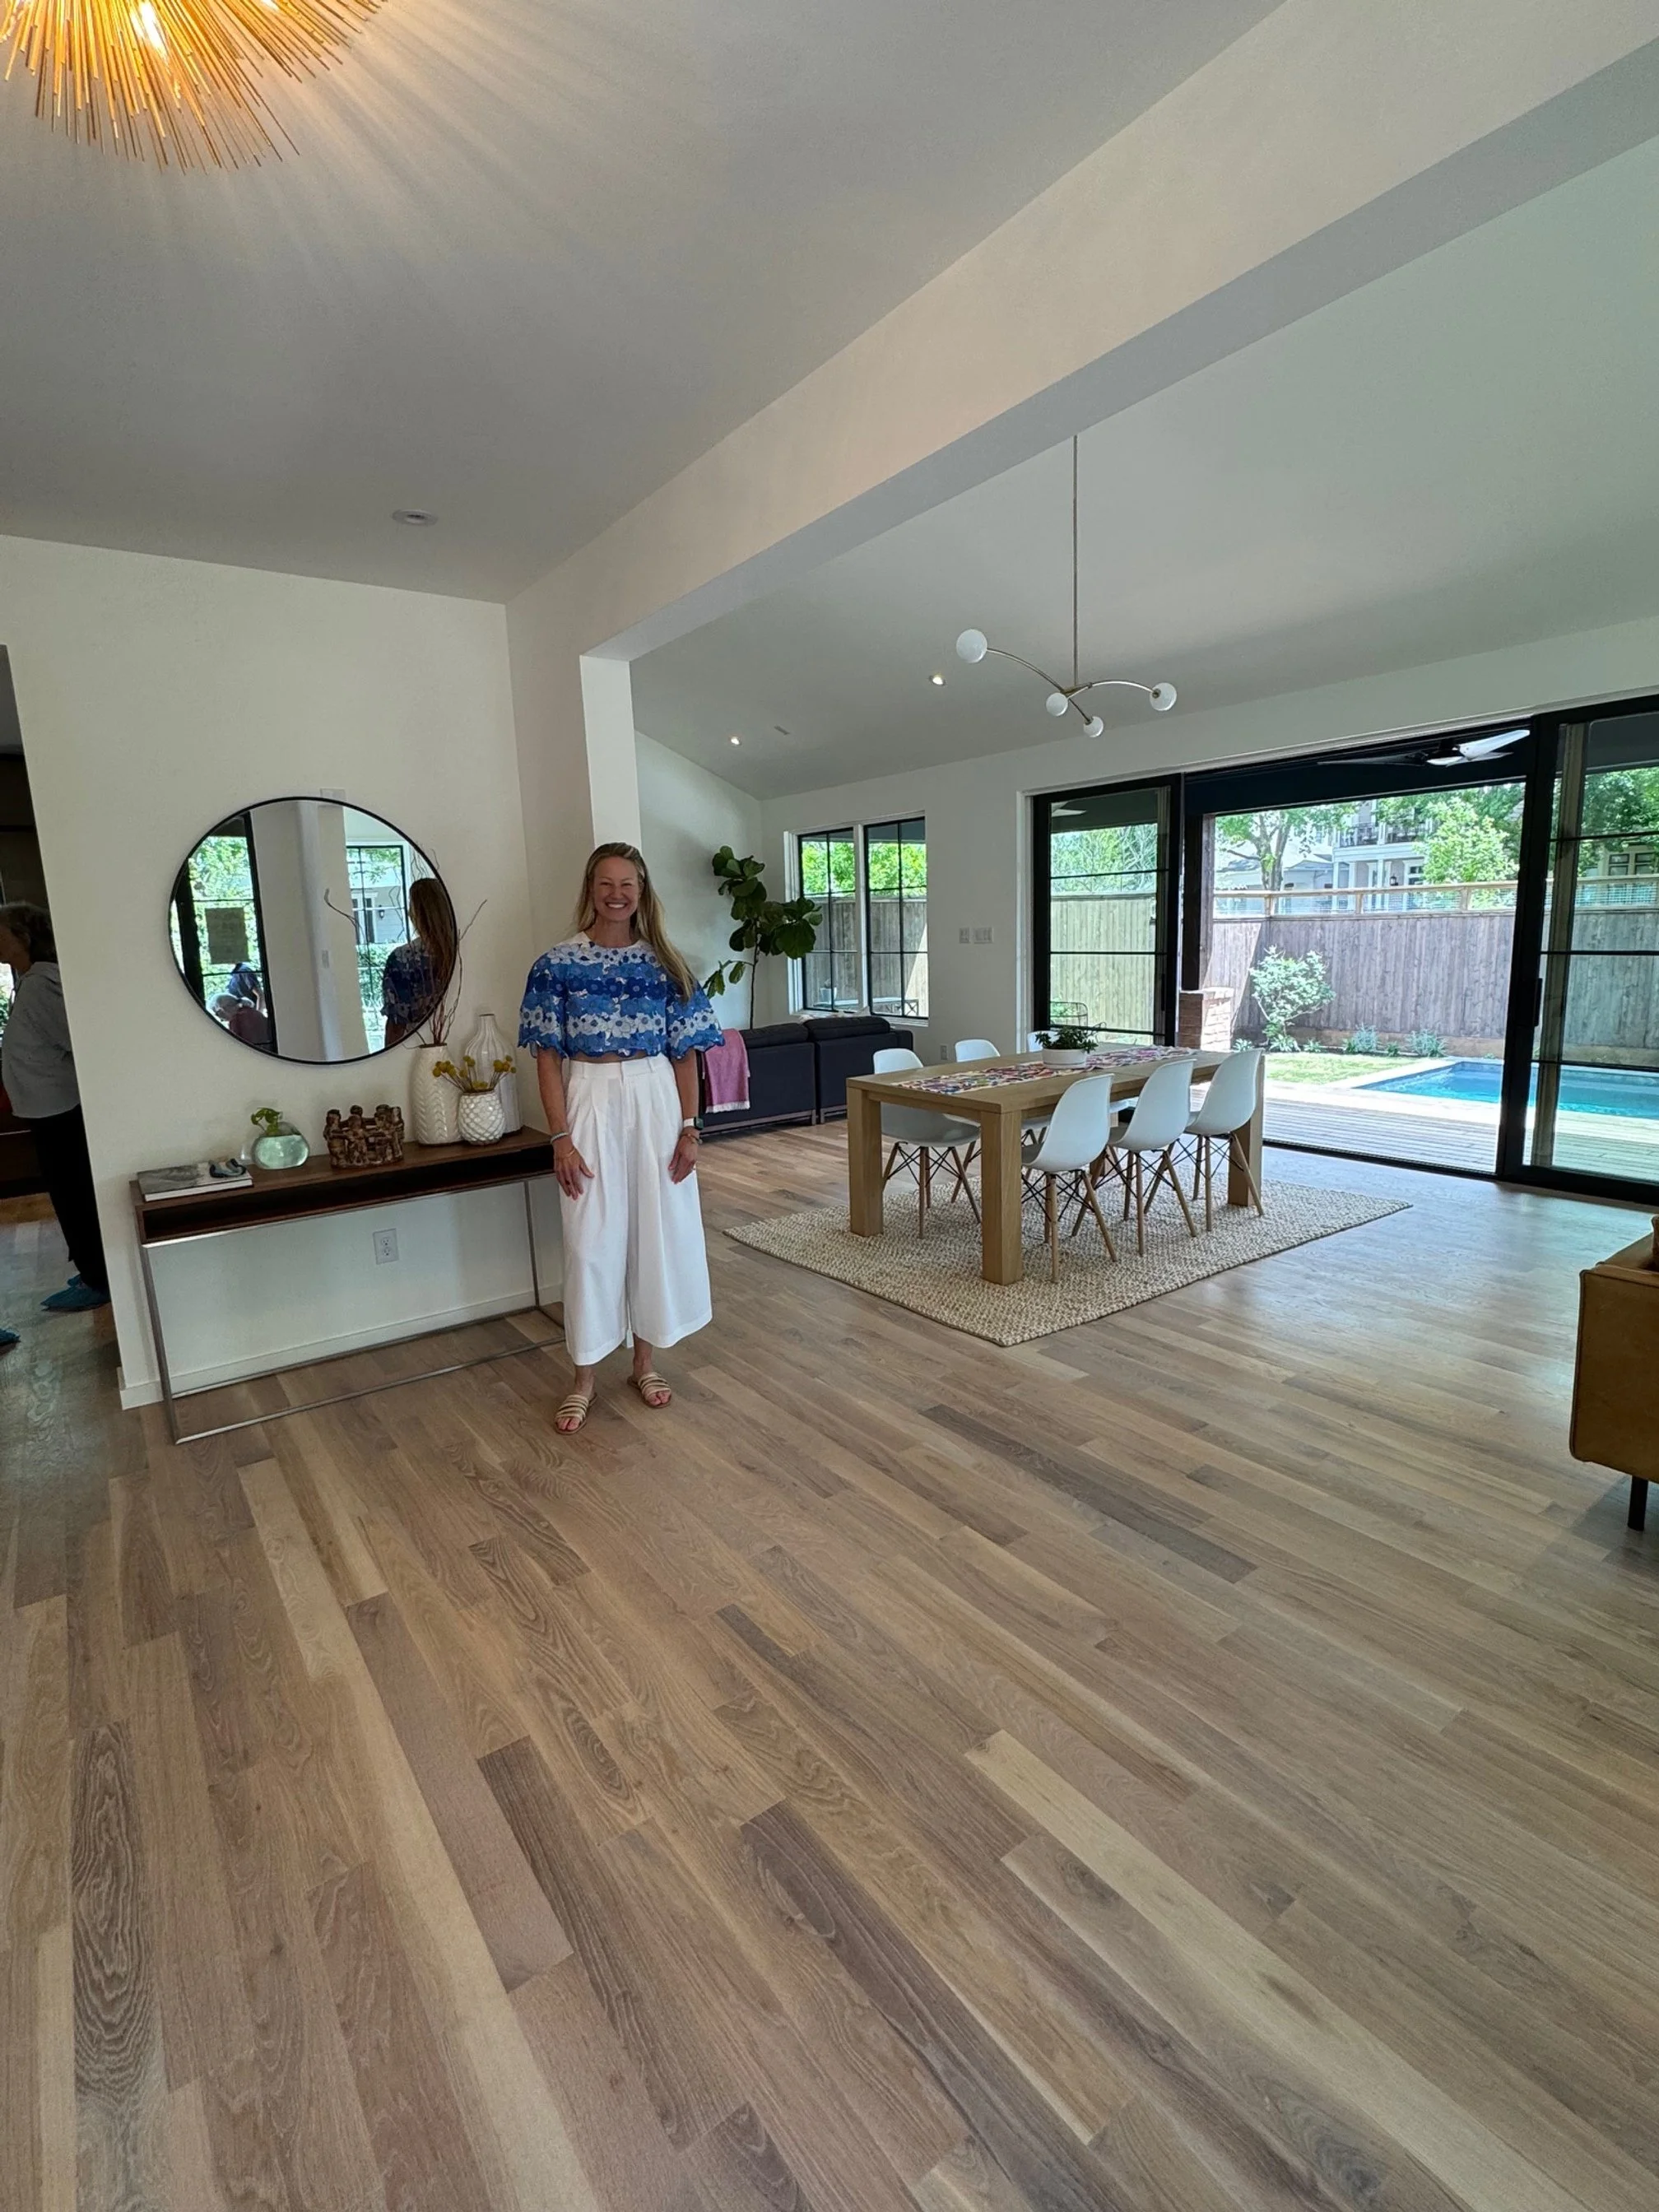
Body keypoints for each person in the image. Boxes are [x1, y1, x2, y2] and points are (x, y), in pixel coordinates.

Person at [518, 843, 723, 1432]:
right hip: (589, 1095)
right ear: (590, 888)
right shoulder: (556, 965)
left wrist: (690, 1128)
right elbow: (546, 1058)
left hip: (655, 1095)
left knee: (655, 1231)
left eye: (627, 883)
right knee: (589, 1239)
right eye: (606, 883)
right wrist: (560, 1137)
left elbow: (685, 1055)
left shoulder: (667, 966)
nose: (617, 894)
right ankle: (583, 1377)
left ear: (642, 890)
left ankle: (644, 1363)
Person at [0, 900, 109, 1348]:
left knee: (74, 1194)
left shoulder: (42, 984)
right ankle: (91, 1269)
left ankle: (98, 1277)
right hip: (48, 1108)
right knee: (68, 1192)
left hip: (59, 1109)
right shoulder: (32, 982)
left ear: (23, 937)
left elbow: (72, 1040)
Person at [383, 876, 458, 1047]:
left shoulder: (402, 959)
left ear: (415, 913)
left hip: (418, 1048)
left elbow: (396, 1023)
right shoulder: (463, 950)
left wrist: (387, 1059)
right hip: (460, 1038)